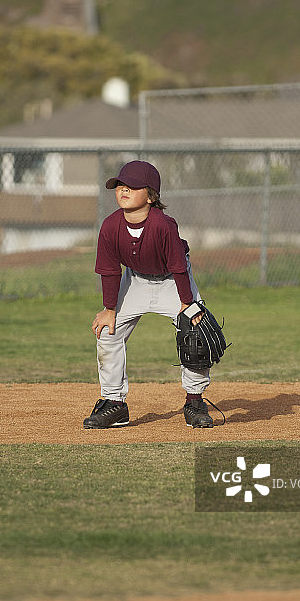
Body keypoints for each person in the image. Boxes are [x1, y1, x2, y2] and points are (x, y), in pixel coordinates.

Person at [83, 159, 214, 429]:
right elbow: (109, 270)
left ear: (151, 195)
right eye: (119, 185)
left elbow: (178, 266)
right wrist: (109, 309)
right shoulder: (110, 226)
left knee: (195, 336)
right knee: (109, 332)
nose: (123, 190)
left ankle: (194, 401)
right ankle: (114, 403)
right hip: (136, 281)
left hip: (172, 282)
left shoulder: (164, 225)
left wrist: (187, 305)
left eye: (132, 185)